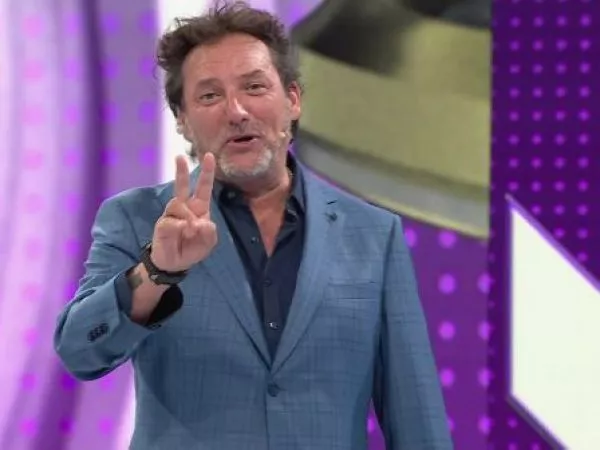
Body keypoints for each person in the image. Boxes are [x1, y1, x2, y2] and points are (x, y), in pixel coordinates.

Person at [53, 2, 453, 449]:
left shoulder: (374, 235)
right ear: (183, 120)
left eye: (255, 87)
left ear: (293, 100)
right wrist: (157, 271)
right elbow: (79, 352)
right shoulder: (137, 218)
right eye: (209, 96)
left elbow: (417, 420)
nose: (237, 111)